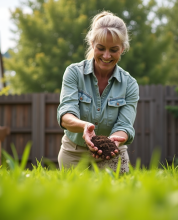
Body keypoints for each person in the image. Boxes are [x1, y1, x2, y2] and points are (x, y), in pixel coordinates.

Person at [57, 11, 139, 173]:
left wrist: (113, 141)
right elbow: (66, 115)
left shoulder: (130, 84)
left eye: (113, 50)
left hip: (112, 153)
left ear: (122, 48)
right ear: (92, 43)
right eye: (101, 48)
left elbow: (125, 125)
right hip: (74, 151)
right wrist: (85, 127)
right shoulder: (74, 73)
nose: (106, 56)